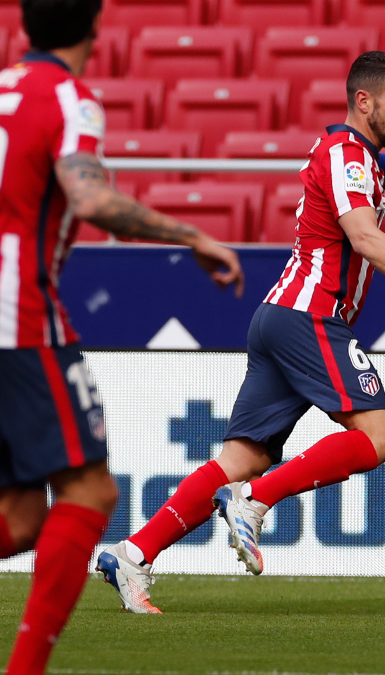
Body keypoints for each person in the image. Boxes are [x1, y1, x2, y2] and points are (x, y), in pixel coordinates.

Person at [97, 51, 385, 612]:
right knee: (379, 438)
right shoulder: (347, 155)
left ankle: (130, 555)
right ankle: (254, 502)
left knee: (240, 459)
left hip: (281, 316)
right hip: (311, 314)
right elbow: (365, 237)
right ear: (363, 101)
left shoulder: (365, 158)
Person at [1, 0, 244, 669]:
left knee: (21, 518)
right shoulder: (70, 98)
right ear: (96, 27)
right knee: (92, 493)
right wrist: (192, 233)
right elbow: (91, 199)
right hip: (19, 321)